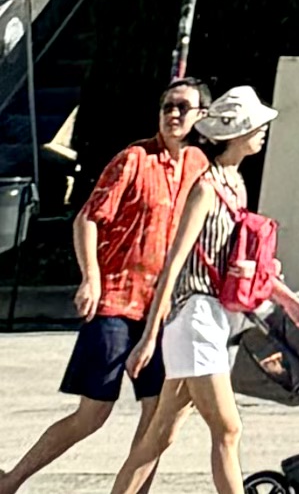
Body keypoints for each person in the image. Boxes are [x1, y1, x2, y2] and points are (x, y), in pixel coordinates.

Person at [3, 88, 198, 492]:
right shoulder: (135, 159)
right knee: (93, 414)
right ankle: (12, 479)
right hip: (116, 301)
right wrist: (91, 276)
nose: (174, 114)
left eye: (183, 107)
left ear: (201, 115)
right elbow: (87, 219)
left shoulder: (199, 166)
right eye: (167, 107)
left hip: (162, 311)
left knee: (157, 414)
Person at [105, 92, 271, 494]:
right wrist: (148, 338)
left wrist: (288, 300)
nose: (264, 132)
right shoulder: (207, 189)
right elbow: (175, 265)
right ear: (236, 133)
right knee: (228, 428)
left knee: (159, 435)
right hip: (193, 318)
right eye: (257, 126)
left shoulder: (237, 185)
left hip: (214, 318)